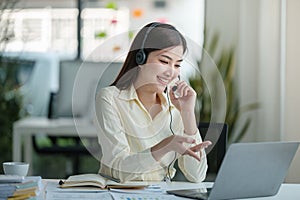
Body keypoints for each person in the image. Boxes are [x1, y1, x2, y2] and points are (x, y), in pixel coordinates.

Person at [94, 22, 212, 183]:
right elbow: (118, 169)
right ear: (140, 59)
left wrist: (187, 113)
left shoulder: (176, 107)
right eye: (164, 61)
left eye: (177, 65)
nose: (171, 72)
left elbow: (196, 176)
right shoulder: (110, 98)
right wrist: (164, 147)